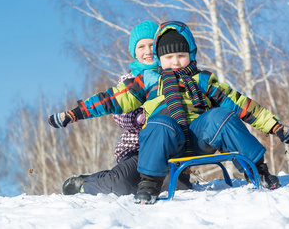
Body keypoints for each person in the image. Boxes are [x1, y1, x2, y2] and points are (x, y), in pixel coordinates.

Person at [49, 21, 289, 205]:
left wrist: (276, 127)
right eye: (168, 57)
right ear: (158, 58)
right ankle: (149, 183)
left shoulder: (203, 79)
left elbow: (240, 103)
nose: (175, 62)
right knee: (159, 123)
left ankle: (257, 170)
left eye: (181, 56)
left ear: (191, 55)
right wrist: (75, 113)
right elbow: (111, 99)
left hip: (199, 138)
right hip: (164, 143)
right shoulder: (147, 80)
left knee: (222, 116)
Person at [61, 21, 191, 196]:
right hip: (137, 148)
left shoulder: (175, 73)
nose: (147, 51)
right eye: (141, 47)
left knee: (173, 188)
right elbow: (119, 115)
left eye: (152, 45)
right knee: (120, 185)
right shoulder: (128, 79)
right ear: (134, 52)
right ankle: (86, 184)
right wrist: (141, 117)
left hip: (171, 145)